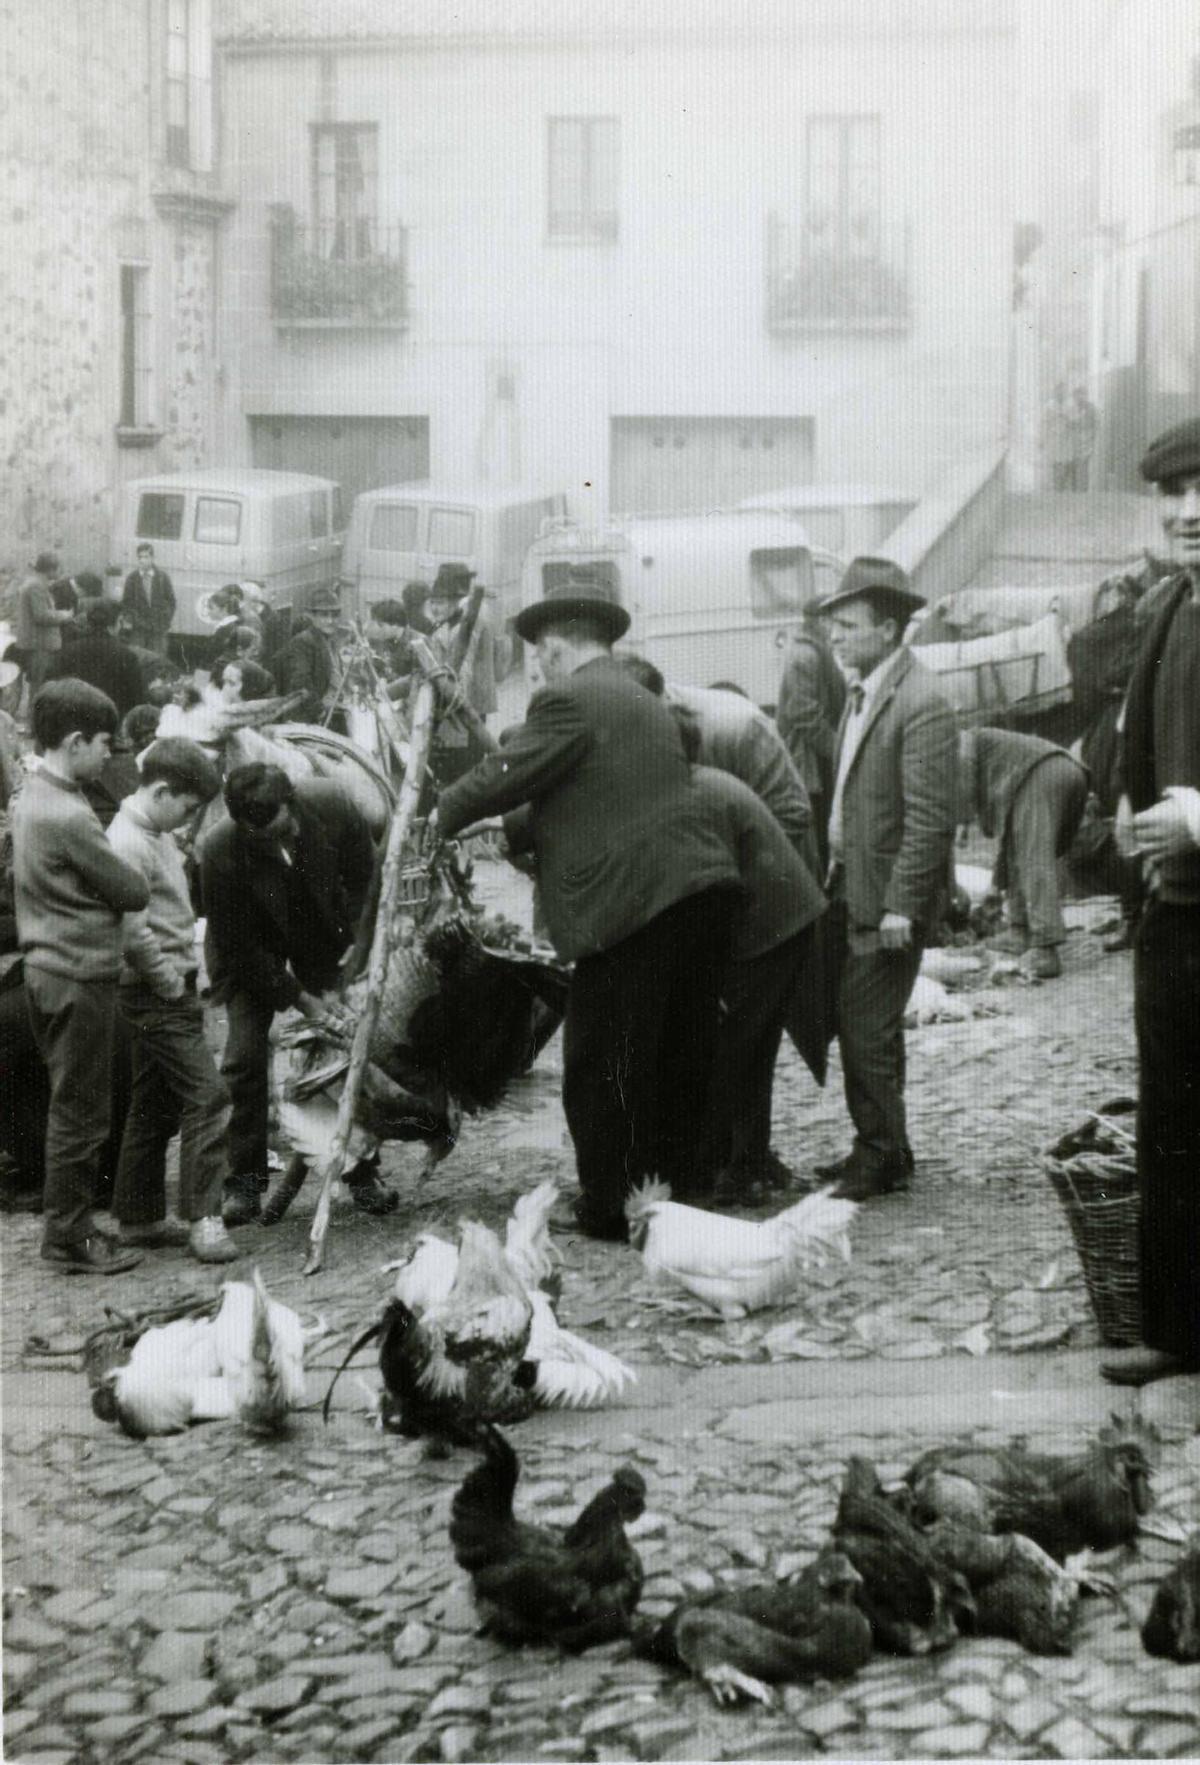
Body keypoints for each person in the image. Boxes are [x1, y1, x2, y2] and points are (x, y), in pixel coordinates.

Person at [437, 566, 744, 1242]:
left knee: (603, 1060)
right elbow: (594, 793)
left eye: (538, 654)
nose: (538, 668)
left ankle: (608, 1204)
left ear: (554, 647)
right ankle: (684, 1191)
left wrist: (442, 812)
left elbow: (506, 773)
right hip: (696, 893)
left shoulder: (569, 699)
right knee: (676, 1051)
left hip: (635, 906)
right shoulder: (634, 696)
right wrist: (511, 828)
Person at [1101, 416, 1200, 1387]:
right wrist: (1133, 811)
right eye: (1174, 494)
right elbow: (1138, 743)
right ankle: (1180, 1327)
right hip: (1175, 921)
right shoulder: (1173, 605)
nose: (1190, 510)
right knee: (1172, 1122)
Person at [813, 557, 958, 1201]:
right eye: (833, 625)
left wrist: (902, 903)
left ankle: (876, 1154)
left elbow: (929, 818)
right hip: (856, 888)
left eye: (847, 625)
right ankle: (887, 1147)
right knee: (871, 1026)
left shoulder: (921, 702)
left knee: (863, 1025)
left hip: (888, 902)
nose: (835, 637)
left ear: (889, 628)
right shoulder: (866, 690)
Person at [198, 762, 390, 1224]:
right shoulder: (219, 851)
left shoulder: (333, 803)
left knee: (342, 1051)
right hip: (251, 948)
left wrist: (358, 948)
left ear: (293, 801)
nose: (284, 839)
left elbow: (367, 879)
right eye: (268, 838)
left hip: (322, 933)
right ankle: (243, 1184)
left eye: (288, 826)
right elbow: (241, 947)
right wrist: (301, 1000)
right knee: (243, 1061)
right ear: (244, 828)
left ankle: (362, 1174)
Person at [10, 679, 150, 1272]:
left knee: (69, 1104)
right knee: (83, 1111)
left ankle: (67, 1226)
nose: (109, 757)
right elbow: (132, 889)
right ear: (74, 742)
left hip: (43, 968)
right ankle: (69, 1236)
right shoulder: (71, 815)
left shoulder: (29, 795)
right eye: (102, 745)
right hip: (79, 975)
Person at [106, 738, 239, 1264]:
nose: (187, 820)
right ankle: (203, 1220)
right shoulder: (128, 844)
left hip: (165, 986)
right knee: (209, 1098)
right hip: (157, 991)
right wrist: (167, 983)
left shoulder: (152, 831)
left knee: (154, 1100)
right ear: (162, 791)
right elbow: (133, 935)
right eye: (185, 808)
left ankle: (136, 1216)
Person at [686, 746, 828, 1202]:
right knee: (750, 1049)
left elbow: (715, 888)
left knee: (731, 1049)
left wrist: (708, 976)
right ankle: (746, 1162)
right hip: (784, 918)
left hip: (770, 926)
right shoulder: (704, 781)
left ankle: (723, 1171)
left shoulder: (693, 796)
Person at [958, 725, 1089, 979]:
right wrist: (997, 884)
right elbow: (1004, 844)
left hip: (1044, 773)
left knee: (1033, 858)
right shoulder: (990, 759)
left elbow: (965, 782)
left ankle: (1045, 948)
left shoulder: (962, 738)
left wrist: (959, 820)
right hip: (1053, 776)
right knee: (1018, 852)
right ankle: (1020, 930)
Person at [775, 608, 848, 865]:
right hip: (808, 758)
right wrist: (838, 748)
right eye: (833, 620)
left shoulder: (815, 649)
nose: (836, 628)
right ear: (819, 621)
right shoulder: (805, 654)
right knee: (818, 823)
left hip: (817, 755)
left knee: (825, 819)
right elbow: (803, 711)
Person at [47, 599, 145, 720]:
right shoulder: (127, 656)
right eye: (120, 621)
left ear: (89, 621)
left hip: (73, 722)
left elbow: (52, 691)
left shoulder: (68, 651)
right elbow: (136, 700)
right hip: (111, 723)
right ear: (114, 624)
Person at [273, 588, 344, 726]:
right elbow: (300, 682)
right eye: (324, 615)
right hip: (307, 718)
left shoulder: (330, 641)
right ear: (312, 616)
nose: (330, 620)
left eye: (334, 615)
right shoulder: (304, 641)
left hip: (328, 715)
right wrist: (318, 711)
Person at [12, 552, 72, 700]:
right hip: (39, 646)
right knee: (38, 689)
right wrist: (64, 615)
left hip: (39, 645)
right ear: (50, 569)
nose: (61, 572)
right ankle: (34, 721)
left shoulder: (36, 584)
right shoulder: (36, 586)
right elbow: (41, 616)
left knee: (39, 687)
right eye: (59, 568)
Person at [121, 543, 176, 655]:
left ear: (152, 558)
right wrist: (134, 620)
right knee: (137, 658)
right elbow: (126, 603)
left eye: (146, 557)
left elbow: (171, 601)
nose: (142, 560)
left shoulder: (162, 577)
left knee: (158, 659)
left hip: (158, 628)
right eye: (140, 557)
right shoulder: (132, 578)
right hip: (139, 629)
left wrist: (165, 619)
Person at [1041, 382, 1076, 492]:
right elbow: (1044, 423)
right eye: (1059, 390)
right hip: (1053, 439)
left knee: (1066, 464)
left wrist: (1067, 417)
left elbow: (1075, 421)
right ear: (1055, 392)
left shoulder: (1071, 406)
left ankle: (1063, 488)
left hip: (1067, 439)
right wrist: (1042, 439)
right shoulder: (1049, 406)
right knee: (1055, 464)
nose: (1061, 393)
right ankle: (1056, 489)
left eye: (1063, 391)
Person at [1068, 387, 1100, 492]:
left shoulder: (1092, 408)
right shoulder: (1072, 409)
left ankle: (1084, 490)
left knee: (1085, 465)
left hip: (1087, 439)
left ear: (1085, 396)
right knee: (1073, 464)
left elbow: (1096, 424)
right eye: (1077, 396)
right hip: (1074, 440)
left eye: (1082, 395)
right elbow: (1069, 424)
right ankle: (1074, 489)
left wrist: (1093, 437)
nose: (1079, 398)